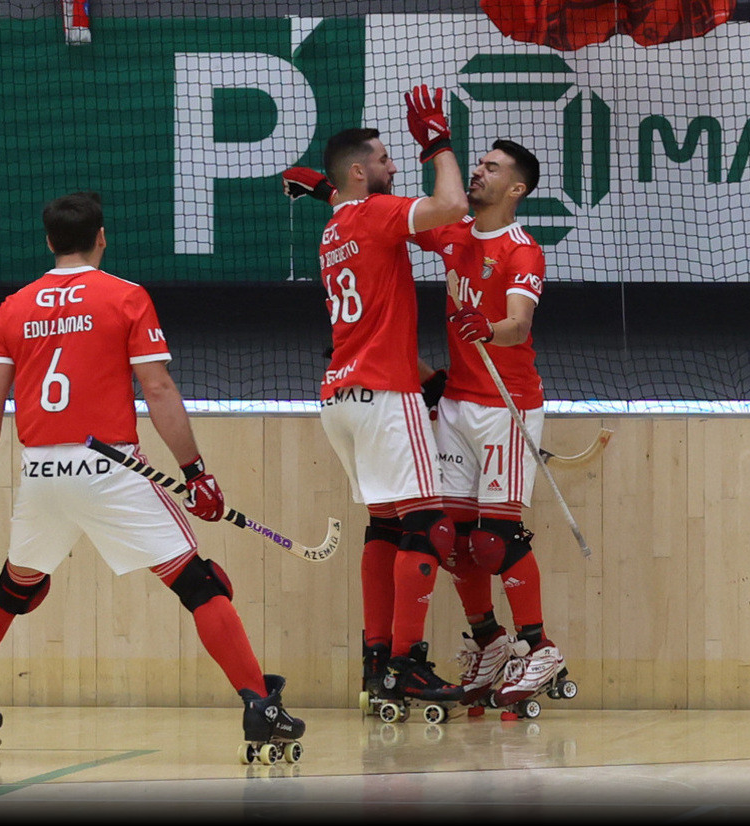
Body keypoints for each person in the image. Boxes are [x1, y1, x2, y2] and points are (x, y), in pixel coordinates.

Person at [0, 191, 305, 756]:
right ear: (102, 237)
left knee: (14, 586)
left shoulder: (13, 306)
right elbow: (157, 388)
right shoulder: (126, 297)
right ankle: (260, 704)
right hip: (110, 467)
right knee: (199, 582)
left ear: (49, 242)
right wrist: (194, 470)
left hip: (42, 471)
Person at [281, 85, 469, 712]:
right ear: (361, 171)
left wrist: (319, 189)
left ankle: (377, 663)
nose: (396, 168)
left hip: (340, 395)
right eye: (387, 160)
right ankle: (406, 665)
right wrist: (438, 142)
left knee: (385, 525)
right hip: (386, 398)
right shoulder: (377, 214)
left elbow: (378, 314)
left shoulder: (335, 229)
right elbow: (451, 203)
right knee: (430, 524)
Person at [409, 139, 568, 714]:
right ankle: (490, 642)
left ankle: (540, 647)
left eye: (491, 168)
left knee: (492, 540)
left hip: (508, 406)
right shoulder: (452, 233)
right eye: (478, 164)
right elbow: (395, 220)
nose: (478, 172)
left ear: (516, 189)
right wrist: (333, 192)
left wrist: (487, 326)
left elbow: (519, 326)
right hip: (455, 400)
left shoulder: (523, 251)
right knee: (450, 539)